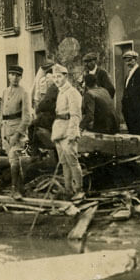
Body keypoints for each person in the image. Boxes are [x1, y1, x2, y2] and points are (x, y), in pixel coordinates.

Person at [50, 64, 84, 200]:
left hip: (68, 132)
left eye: (59, 76)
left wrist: (72, 133)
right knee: (64, 163)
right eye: (54, 77)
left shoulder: (72, 92)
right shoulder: (61, 92)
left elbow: (76, 115)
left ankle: (79, 190)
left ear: (65, 76)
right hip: (59, 131)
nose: (56, 79)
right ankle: (68, 189)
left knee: (73, 162)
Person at [0, 64, 30, 197]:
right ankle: (21, 189)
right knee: (11, 160)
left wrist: (17, 134)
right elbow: (2, 114)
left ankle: (14, 189)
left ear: (21, 77)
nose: (15, 78)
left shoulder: (24, 93)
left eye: (18, 75)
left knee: (14, 159)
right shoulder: (5, 91)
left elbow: (27, 117)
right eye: (12, 74)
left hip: (17, 131)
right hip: (5, 131)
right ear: (8, 75)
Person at [120, 49, 140, 135]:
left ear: (135, 59)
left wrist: (136, 105)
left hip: (136, 111)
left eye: (130, 60)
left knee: (137, 133)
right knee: (131, 133)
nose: (128, 63)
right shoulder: (129, 74)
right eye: (126, 61)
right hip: (128, 110)